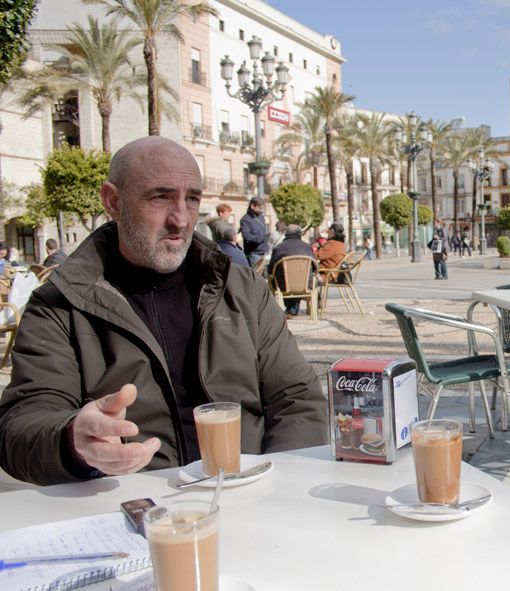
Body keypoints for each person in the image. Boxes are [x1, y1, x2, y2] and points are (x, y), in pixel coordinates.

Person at [0, 136, 327, 486]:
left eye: (193, 199)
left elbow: (298, 399)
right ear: (113, 202)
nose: (181, 219)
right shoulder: (60, 304)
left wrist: (278, 484)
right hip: (131, 502)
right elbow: (21, 425)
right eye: (161, 197)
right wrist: (71, 441)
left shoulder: (243, 288)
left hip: (249, 493)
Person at [269, 224, 315, 318]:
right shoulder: (306, 247)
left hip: (284, 284)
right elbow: (314, 266)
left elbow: (271, 268)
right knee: (300, 278)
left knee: (281, 277)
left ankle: (290, 310)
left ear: (286, 234)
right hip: (304, 283)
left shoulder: (279, 247)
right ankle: (292, 310)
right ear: (300, 234)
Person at [239, 197, 269, 267]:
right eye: (259, 208)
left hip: (264, 252)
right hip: (254, 254)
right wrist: (259, 239)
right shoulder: (245, 219)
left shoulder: (261, 216)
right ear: (252, 206)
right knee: (256, 273)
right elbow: (246, 237)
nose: (261, 211)